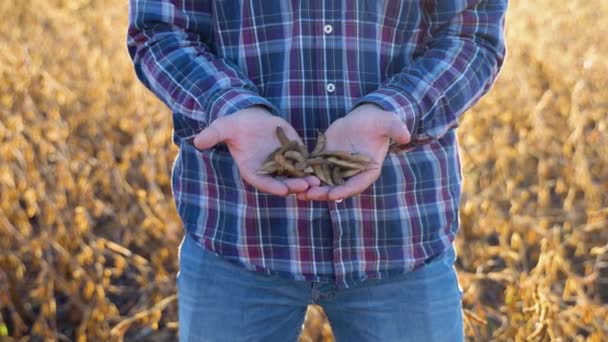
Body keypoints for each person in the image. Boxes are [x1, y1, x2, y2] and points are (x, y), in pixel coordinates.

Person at [127, 1, 506, 341]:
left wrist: (396, 109)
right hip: (237, 228)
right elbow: (160, 29)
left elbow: (472, 32)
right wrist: (229, 105)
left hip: (398, 229)